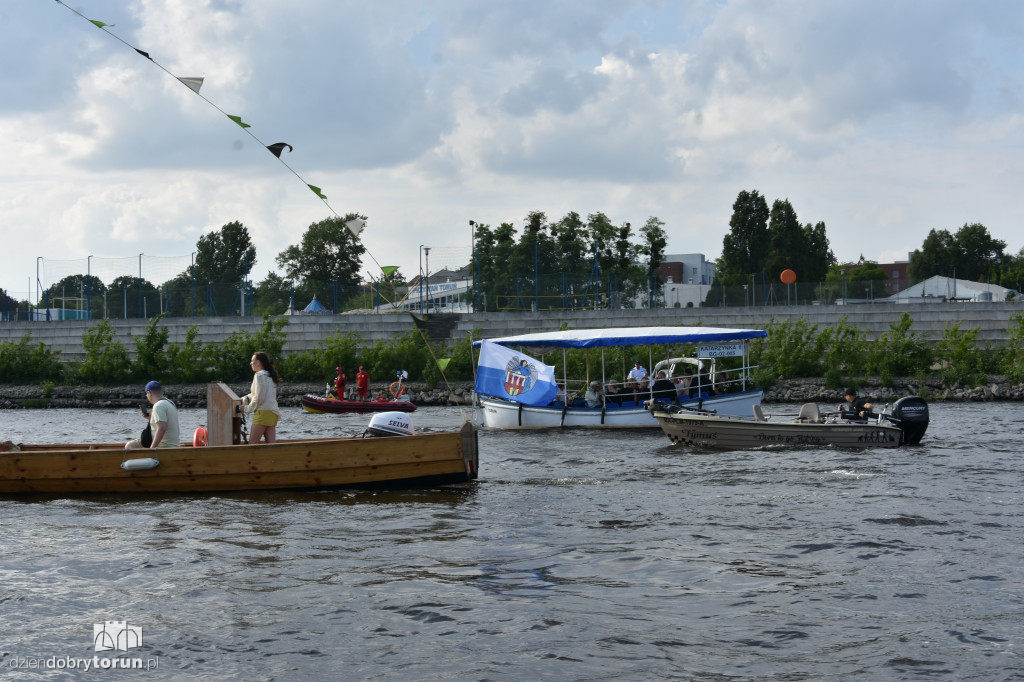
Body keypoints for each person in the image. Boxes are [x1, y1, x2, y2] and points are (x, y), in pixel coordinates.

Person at [125, 380, 180, 450]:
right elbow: (168, 422)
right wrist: (151, 418)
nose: (146, 396)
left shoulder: (158, 406)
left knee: (129, 445)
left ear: (149, 393)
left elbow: (162, 428)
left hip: (164, 446)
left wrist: (152, 449)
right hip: (175, 444)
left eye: (146, 394)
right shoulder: (170, 403)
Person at [243, 351, 282, 444]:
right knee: (271, 446)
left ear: (258, 362)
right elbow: (262, 394)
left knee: (252, 445)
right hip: (273, 413)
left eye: (252, 360)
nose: (250, 363)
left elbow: (259, 397)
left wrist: (246, 409)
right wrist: (245, 398)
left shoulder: (259, 375)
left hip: (263, 413)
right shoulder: (270, 375)